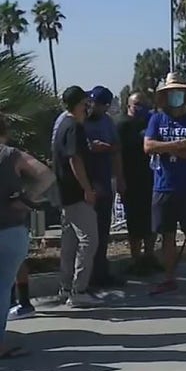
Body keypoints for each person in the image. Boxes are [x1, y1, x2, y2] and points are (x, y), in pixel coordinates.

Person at [145, 73, 186, 297]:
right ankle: (169, 278)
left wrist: (165, 147)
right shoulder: (156, 119)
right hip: (163, 186)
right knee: (168, 236)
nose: (176, 96)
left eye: (179, 92)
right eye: (172, 92)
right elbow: (148, 146)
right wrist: (176, 145)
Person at [0, 114, 55, 358]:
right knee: (2, 289)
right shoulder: (11, 155)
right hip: (10, 229)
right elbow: (46, 175)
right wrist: (25, 200)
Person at [52, 86, 103, 307]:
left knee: (70, 242)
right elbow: (75, 159)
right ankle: (79, 289)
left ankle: (65, 288)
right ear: (79, 103)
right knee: (89, 240)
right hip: (75, 194)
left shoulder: (63, 124)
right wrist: (87, 188)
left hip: (64, 193)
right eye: (85, 102)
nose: (88, 106)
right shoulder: (73, 126)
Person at [81, 86, 126, 290]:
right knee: (84, 236)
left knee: (101, 232)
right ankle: (84, 278)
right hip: (83, 186)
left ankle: (100, 273)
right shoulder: (78, 121)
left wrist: (120, 179)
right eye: (89, 101)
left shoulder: (108, 123)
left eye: (96, 104)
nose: (91, 106)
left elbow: (117, 149)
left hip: (103, 184)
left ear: (106, 106)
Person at [116, 92, 160, 274]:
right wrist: (120, 179)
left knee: (153, 219)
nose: (141, 108)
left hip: (152, 178)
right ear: (129, 105)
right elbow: (116, 154)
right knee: (134, 220)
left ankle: (150, 256)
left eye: (144, 104)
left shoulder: (152, 122)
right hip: (131, 179)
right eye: (137, 105)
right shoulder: (121, 125)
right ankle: (136, 259)